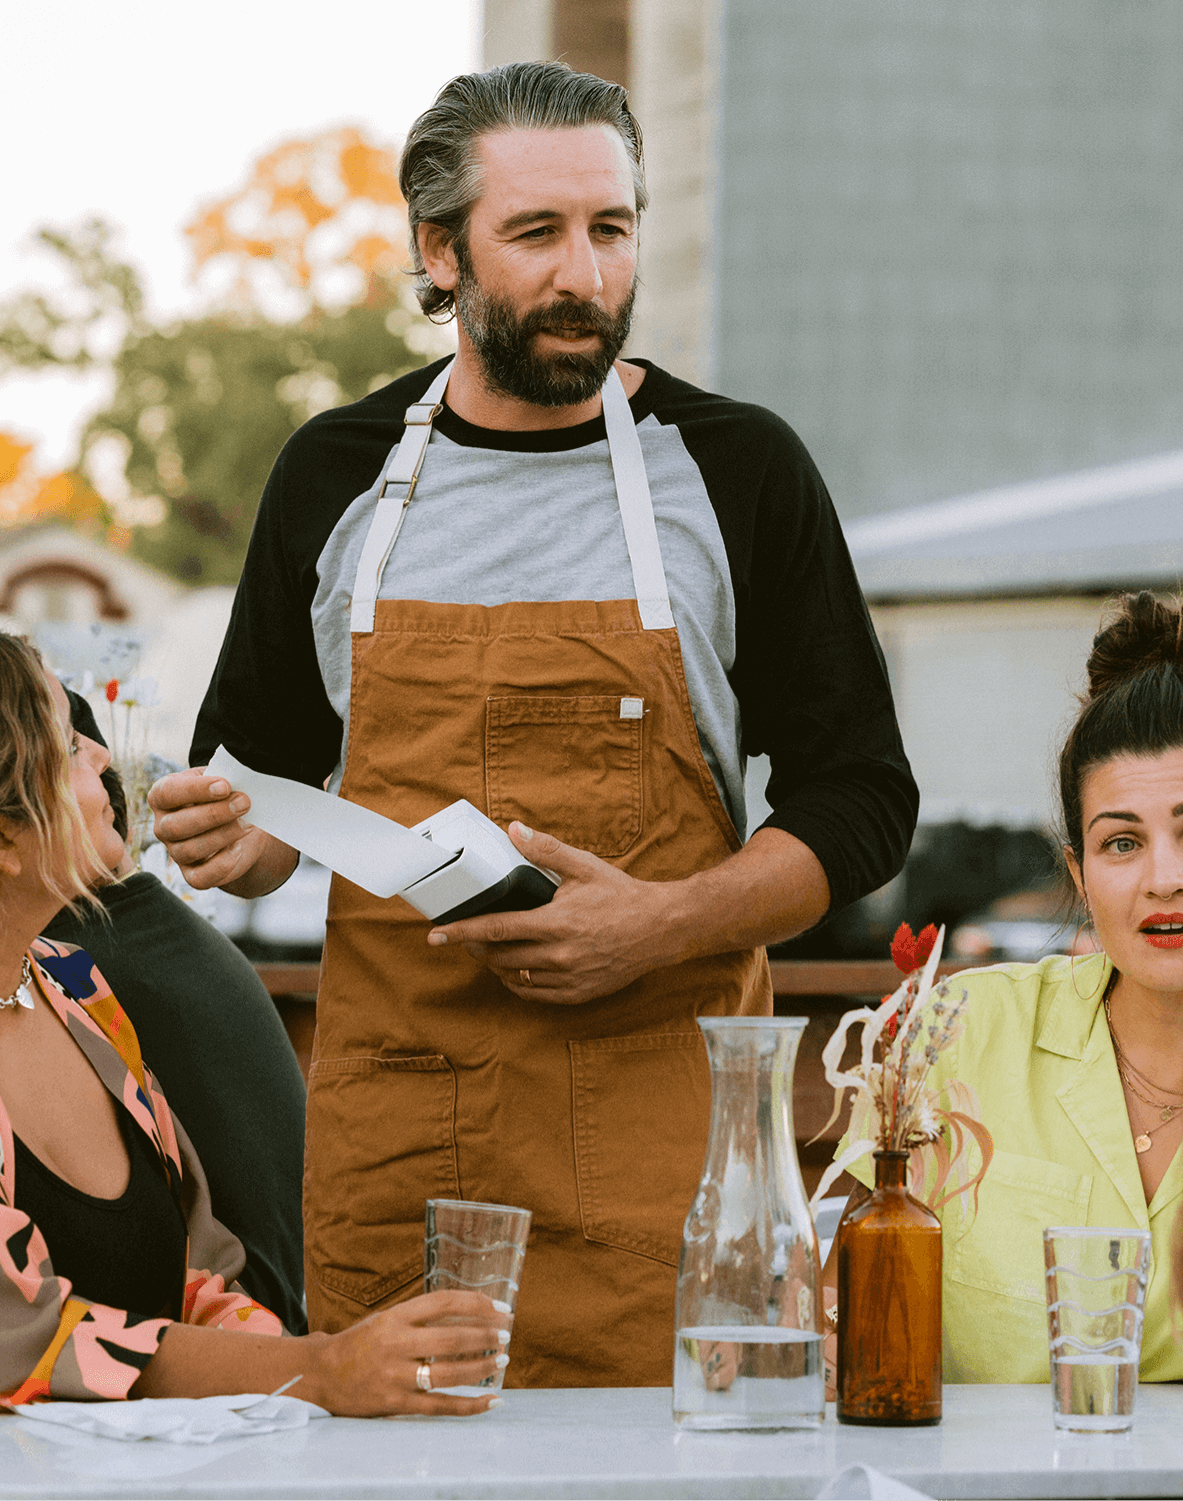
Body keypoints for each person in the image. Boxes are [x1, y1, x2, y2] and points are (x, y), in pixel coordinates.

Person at [148, 61, 918, 1387]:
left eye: (611, 230)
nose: (585, 275)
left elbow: (860, 801)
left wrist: (661, 920)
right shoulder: (335, 474)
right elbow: (262, 796)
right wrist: (231, 837)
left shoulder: (737, 468)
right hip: (399, 1159)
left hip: (659, 1166)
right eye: (537, 233)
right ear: (440, 253)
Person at [0, 634, 510, 1410]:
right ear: (5, 836)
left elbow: (197, 1269)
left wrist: (336, 1358)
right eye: (70, 745)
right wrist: (320, 1372)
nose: (104, 758)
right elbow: (25, 1342)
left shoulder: (75, 986)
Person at [829, 590, 1183, 1384]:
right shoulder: (955, 1033)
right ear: (1079, 873)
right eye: (1123, 842)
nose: (1165, 878)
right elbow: (836, 1320)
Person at [42, 690, 308, 1335]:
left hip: (223, 1337)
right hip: (251, 1323)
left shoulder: (72, 972)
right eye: (72, 746)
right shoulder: (132, 937)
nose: (107, 756)